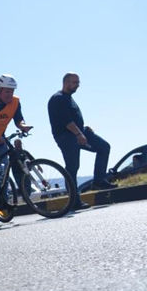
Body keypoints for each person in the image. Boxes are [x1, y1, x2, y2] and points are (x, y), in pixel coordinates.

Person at [48, 72, 117, 209]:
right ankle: (74, 201)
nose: (78, 85)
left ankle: (99, 181)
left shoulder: (68, 98)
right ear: (66, 82)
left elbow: (73, 118)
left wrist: (83, 128)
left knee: (104, 147)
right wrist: (79, 134)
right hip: (66, 137)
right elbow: (67, 121)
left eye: (78, 82)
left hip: (79, 132)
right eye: (75, 82)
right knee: (72, 167)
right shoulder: (58, 98)